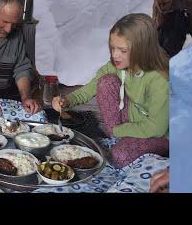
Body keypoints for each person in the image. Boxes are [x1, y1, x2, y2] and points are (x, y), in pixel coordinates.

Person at [52, 13, 169, 169]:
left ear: (142, 50)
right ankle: (119, 137)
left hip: (159, 133)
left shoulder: (160, 78)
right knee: (105, 82)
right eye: (113, 48)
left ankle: (122, 139)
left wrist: (118, 130)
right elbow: (91, 87)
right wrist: (67, 101)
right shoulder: (117, 65)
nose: (115, 55)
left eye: (122, 50)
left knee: (119, 156)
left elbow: (157, 127)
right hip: (132, 120)